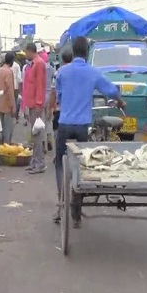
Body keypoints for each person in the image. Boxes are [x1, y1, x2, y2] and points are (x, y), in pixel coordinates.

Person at [54, 36, 124, 227]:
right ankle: (76, 211)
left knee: (60, 164)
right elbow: (111, 91)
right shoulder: (93, 72)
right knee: (80, 166)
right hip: (82, 126)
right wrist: (120, 101)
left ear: (73, 52)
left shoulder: (62, 72)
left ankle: (61, 203)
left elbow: (58, 95)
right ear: (87, 53)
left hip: (65, 124)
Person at [23, 43, 47, 174]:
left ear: (30, 51)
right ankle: (34, 162)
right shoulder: (31, 65)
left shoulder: (39, 64)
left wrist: (39, 104)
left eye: (26, 52)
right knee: (33, 136)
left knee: (37, 136)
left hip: (36, 105)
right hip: (30, 104)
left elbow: (40, 86)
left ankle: (40, 164)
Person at [0, 52, 16, 144]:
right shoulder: (9, 72)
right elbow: (10, 91)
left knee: (0, 128)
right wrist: (13, 106)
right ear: (12, 61)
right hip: (7, 104)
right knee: (7, 129)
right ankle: (5, 148)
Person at [43, 53, 56, 153]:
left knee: (41, 121)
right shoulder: (51, 69)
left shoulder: (37, 67)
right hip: (49, 94)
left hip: (40, 96)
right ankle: (49, 138)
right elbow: (54, 82)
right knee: (49, 119)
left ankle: (43, 143)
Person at [11, 56, 22, 120]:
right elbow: (19, 78)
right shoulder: (17, 65)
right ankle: (15, 115)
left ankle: (11, 114)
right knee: (15, 102)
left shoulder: (6, 65)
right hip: (15, 86)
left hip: (9, 86)